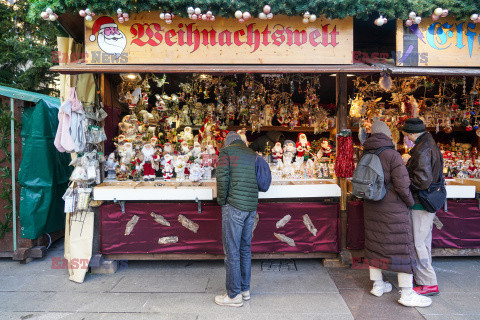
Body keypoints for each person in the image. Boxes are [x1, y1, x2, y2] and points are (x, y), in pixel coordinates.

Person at [363, 120, 432, 307]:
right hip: (393, 208)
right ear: (387, 135)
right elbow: (402, 185)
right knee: (402, 249)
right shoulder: (392, 155)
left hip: (371, 207)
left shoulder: (366, 152)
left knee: (375, 245)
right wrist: (410, 202)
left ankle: (378, 285)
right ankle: (407, 294)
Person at [215, 131, 259, 307]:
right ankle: (244, 290)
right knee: (245, 249)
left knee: (232, 250)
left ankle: (233, 296)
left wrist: (222, 201)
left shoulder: (226, 152)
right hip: (251, 206)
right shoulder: (252, 154)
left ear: (227, 142)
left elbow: (222, 177)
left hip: (234, 206)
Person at [403, 118, 443, 296]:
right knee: (424, 242)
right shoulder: (428, 144)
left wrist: (404, 182)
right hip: (427, 201)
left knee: (418, 243)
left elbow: (422, 181)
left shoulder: (423, 149)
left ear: (411, 133)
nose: (406, 137)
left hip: (421, 202)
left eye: (406, 134)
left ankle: (428, 282)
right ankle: (423, 278)